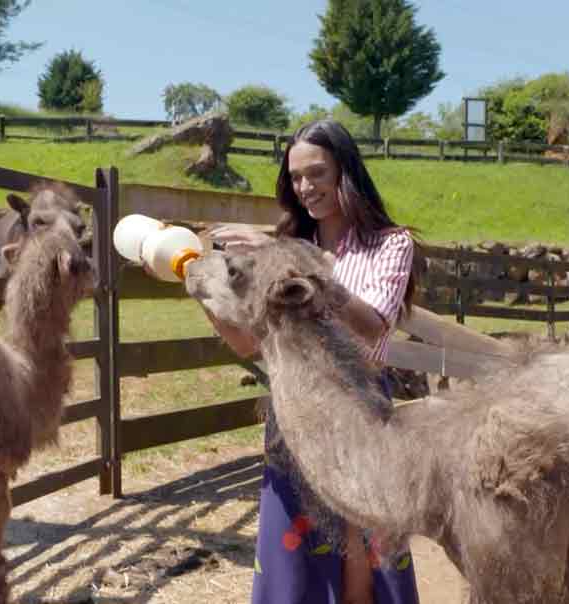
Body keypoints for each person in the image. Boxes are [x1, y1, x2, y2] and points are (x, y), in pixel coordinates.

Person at [204, 119, 420, 604]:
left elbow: (372, 325)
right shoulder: (282, 246)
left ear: (346, 171)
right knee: (296, 562)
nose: (305, 188)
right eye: (296, 177)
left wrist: (293, 259)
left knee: (364, 555)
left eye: (317, 173)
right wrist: (205, 288)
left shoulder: (392, 244)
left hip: (362, 412)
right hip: (296, 414)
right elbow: (246, 345)